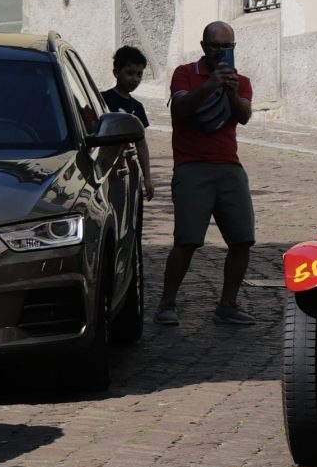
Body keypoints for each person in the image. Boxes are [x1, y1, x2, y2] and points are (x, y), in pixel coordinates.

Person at [153, 21, 256, 326]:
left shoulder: (241, 81)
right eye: (216, 46)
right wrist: (211, 84)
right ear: (203, 46)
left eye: (228, 46)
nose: (221, 52)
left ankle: (228, 304)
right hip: (192, 166)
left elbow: (244, 116)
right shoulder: (185, 73)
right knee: (187, 240)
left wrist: (231, 92)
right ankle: (167, 303)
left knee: (242, 239)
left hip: (229, 166)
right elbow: (181, 109)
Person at [101, 46, 155, 200]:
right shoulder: (103, 100)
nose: (135, 79)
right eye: (130, 73)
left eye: (139, 74)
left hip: (126, 169)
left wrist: (147, 178)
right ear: (116, 72)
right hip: (104, 168)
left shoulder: (137, 107)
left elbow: (141, 144)